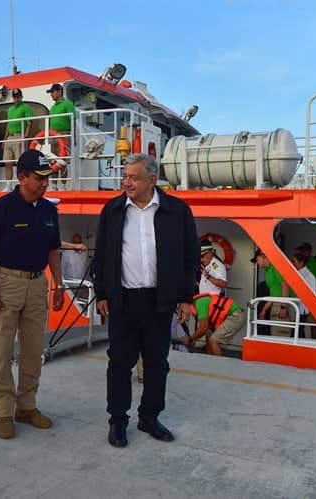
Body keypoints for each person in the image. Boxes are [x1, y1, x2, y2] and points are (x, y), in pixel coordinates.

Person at [92, 153, 200, 448]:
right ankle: (117, 421)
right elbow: (100, 255)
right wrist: (101, 292)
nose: (126, 182)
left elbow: (191, 258)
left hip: (159, 301)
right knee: (119, 363)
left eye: (133, 178)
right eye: (125, 177)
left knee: (156, 364)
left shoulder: (177, 211)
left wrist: (186, 298)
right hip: (123, 301)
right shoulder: (113, 210)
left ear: (152, 179)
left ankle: (149, 418)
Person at [0, 149, 65, 440]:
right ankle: (4, 411)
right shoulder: (2, 208)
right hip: (6, 283)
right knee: (1, 351)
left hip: (38, 284)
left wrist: (59, 284)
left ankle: (26, 406)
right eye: (39, 178)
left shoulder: (49, 210)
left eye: (47, 178)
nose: (45, 184)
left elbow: (54, 249)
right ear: (21, 177)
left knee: (32, 350)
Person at [251, 249, 294, 337]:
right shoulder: (268, 270)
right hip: (277, 304)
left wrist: (283, 307)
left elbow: (285, 285)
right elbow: (273, 293)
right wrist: (265, 309)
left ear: (263, 256)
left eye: (257, 259)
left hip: (282, 305)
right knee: (275, 336)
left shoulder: (276, 267)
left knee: (281, 336)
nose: (256, 263)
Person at [45, 83, 76, 190]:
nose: (51, 95)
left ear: (59, 91)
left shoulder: (67, 104)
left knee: (63, 161)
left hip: (64, 134)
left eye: (53, 92)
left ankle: (63, 185)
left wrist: (73, 136)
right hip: (54, 136)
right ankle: (53, 185)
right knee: (53, 161)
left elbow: (73, 121)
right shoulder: (52, 108)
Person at [3, 88, 34, 191]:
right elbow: (8, 124)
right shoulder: (10, 109)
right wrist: (4, 139)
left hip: (19, 135)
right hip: (10, 137)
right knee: (7, 162)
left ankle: (21, 184)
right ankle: (8, 186)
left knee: (20, 163)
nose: (16, 98)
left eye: (18, 96)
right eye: (14, 97)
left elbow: (29, 123)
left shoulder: (26, 107)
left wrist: (25, 137)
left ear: (21, 97)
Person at [291, 252, 316, 338]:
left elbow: (312, 293)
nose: (292, 263)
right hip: (299, 306)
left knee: (298, 329)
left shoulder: (308, 276)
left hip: (304, 307)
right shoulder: (299, 273)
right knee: (298, 328)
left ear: (301, 262)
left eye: (294, 261)